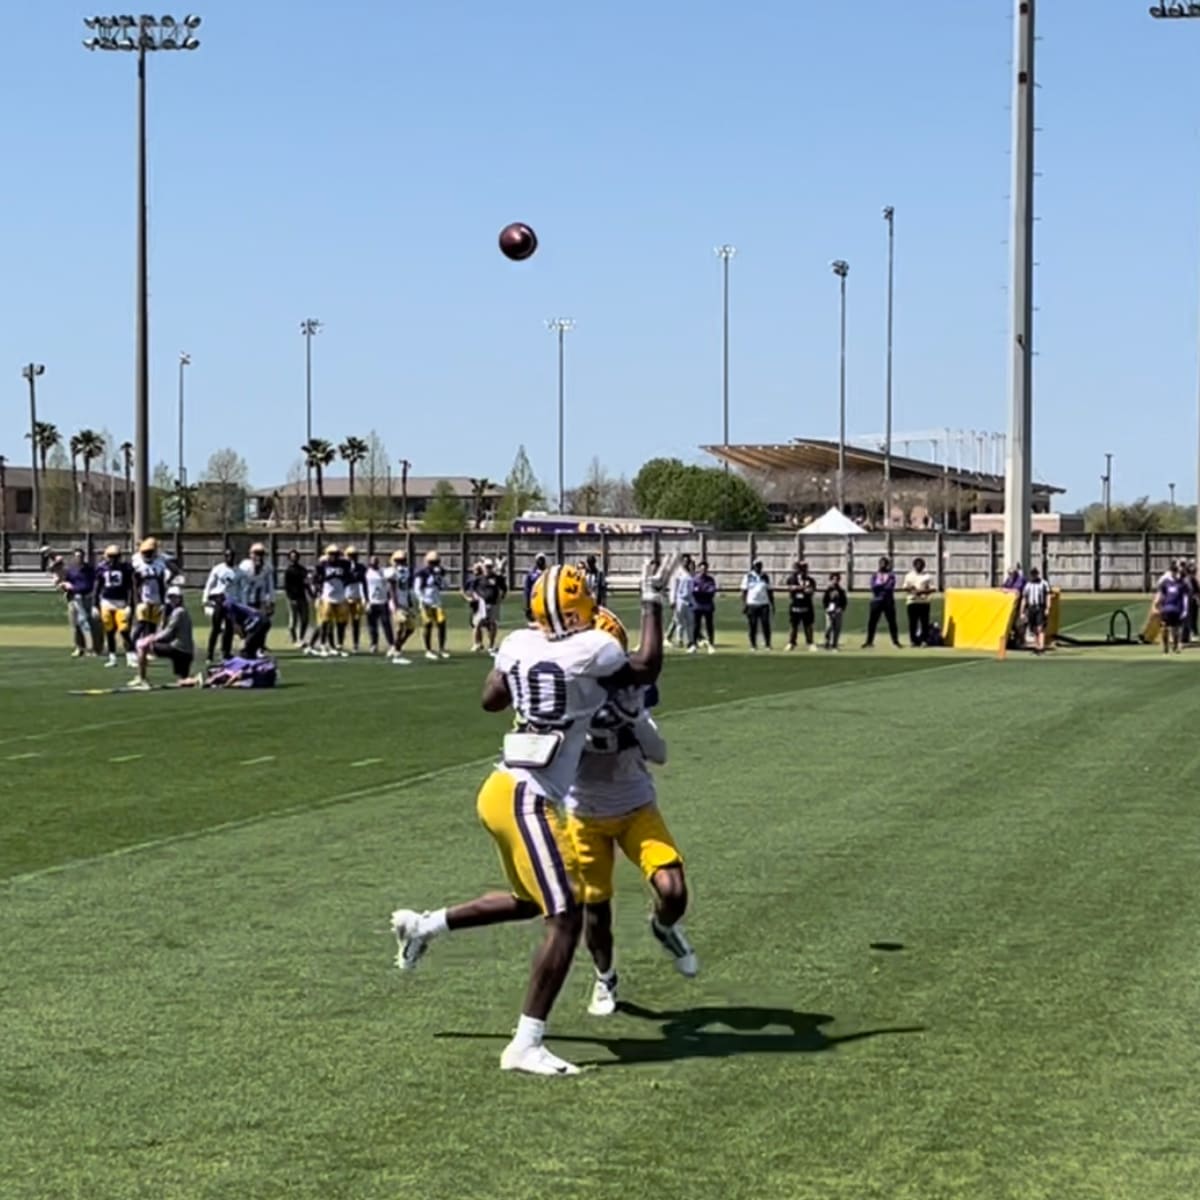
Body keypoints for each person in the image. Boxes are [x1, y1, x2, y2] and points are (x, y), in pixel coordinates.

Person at [389, 557, 672, 1076]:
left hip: (499, 788)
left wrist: (529, 681)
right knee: (564, 917)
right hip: (529, 797)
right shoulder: (594, 648)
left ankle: (425, 926)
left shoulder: (518, 643)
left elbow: (490, 700)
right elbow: (647, 667)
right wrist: (652, 598)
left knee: (530, 903)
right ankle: (526, 1043)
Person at [564, 608, 695, 1018]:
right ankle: (606, 978)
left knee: (674, 890)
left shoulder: (630, 694)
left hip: (635, 804)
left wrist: (634, 718)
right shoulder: (564, 694)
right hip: (583, 813)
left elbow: (660, 753)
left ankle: (663, 925)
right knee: (596, 909)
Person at [130, 585, 195, 689]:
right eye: (171, 597)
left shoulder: (178, 612)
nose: (172, 600)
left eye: (175, 597)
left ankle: (142, 679)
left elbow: (167, 633)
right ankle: (196, 680)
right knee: (183, 681)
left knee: (142, 646)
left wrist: (151, 638)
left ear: (180, 598)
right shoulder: (180, 611)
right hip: (186, 651)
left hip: (178, 649)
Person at [93, 544, 135, 668]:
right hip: (106, 602)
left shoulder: (126, 568)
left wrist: (130, 604)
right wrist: (94, 605)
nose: (113, 559)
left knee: (124, 630)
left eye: (115, 556)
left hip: (121, 602)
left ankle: (130, 657)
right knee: (110, 631)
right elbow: (97, 587)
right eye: (111, 556)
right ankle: (112, 657)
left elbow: (130, 587)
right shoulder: (102, 568)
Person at [202, 548, 243, 663]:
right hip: (219, 599)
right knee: (216, 627)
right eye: (227, 556)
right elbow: (210, 584)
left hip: (231, 601)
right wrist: (205, 598)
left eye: (231, 556)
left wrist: (241, 602)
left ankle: (226, 652)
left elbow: (240, 589)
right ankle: (209, 654)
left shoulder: (238, 572)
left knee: (229, 628)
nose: (229, 559)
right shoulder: (218, 569)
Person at [130, 536, 171, 649]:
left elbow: (162, 584)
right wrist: (137, 600)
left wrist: (163, 600)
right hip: (144, 599)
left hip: (156, 598)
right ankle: (131, 647)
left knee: (152, 626)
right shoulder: (137, 564)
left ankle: (147, 647)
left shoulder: (160, 563)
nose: (148, 555)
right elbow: (135, 584)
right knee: (141, 624)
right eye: (146, 552)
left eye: (150, 552)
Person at [59, 548, 97, 658]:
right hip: (73, 598)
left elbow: (90, 584)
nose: (79, 558)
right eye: (77, 556)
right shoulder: (70, 570)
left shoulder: (89, 569)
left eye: (80, 556)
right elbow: (65, 582)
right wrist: (65, 586)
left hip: (85, 598)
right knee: (75, 624)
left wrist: (75, 587)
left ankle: (91, 648)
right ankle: (79, 647)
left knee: (86, 623)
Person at [239, 542, 275, 650]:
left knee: (262, 622)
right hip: (247, 599)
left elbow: (270, 584)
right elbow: (240, 584)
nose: (258, 556)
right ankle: (247, 643)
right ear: (251, 554)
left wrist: (271, 601)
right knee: (248, 623)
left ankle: (260, 645)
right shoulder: (244, 566)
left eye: (261, 553)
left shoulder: (267, 567)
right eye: (256, 553)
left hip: (261, 599)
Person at [414, 550, 449, 660]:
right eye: (432, 562)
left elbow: (444, 585)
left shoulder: (440, 572)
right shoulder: (422, 573)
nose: (434, 565)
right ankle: (428, 650)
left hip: (437, 602)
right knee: (428, 624)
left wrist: (440, 577)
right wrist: (421, 599)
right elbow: (417, 588)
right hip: (426, 602)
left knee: (442, 623)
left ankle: (441, 649)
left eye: (436, 562)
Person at [863, 556, 902, 649]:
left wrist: (880, 585)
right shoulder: (875, 575)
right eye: (881, 563)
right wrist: (882, 585)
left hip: (888, 601)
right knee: (872, 622)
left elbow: (890, 587)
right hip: (876, 601)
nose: (882, 565)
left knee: (892, 622)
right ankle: (869, 641)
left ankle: (895, 641)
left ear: (887, 565)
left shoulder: (891, 575)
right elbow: (873, 587)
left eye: (884, 563)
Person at [471, 558, 507, 654]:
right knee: (478, 623)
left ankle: (491, 645)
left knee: (492, 624)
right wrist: (476, 597)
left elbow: (504, 588)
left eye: (490, 567)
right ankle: (477, 644)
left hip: (493, 603)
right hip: (481, 604)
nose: (488, 569)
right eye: (487, 567)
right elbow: (473, 589)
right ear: (483, 567)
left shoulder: (497, 578)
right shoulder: (479, 578)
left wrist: (501, 598)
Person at [219, 595, 272, 659]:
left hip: (259, 621)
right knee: (249, 649)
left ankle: (255, 660)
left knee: (247, 650)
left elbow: (236, 627)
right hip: (263, 620)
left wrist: (242, 636)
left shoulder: (227, 605)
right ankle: (257, 658)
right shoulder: (231, 603)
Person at [387, 549, 416, 665]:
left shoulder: (407, 572)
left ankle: (395, 646)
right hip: (396, 603)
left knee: (411, 628)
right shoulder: (392, 572)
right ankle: (397, 654)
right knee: (401, 626)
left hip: (405, 603)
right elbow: (392, 589)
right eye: (399, 560)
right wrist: (396, 605)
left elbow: (408, 590)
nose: (401, 562)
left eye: (403, 560)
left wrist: (410, 605)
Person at [740, 559, 774, 651]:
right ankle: (753, 645)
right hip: (752, 604)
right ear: (753, 566)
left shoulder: (765, 576)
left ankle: (767, 644)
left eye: (760, 565)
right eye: (757, 565)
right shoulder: (748, 576)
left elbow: (770, 591)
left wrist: (772, 604)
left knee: (765, 625)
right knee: (752, 625)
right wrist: (744, 604)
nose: (758, 567)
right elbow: (744, 591)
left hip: (764, 603)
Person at [784, 559, 817, 652]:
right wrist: (801, 588)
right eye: (801, 568)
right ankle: (791, 642)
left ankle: (810, 643)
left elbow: (810, 591)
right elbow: (791, 588)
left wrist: (800, 589)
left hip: (807, 606)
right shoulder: (792, 579)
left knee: (808, 626)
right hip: (795, 605)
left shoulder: (810, 580)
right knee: (793, 626)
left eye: (804, 568)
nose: (803, 570)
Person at [364, 554, 394, 655]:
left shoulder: (383, 572)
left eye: (376, 562)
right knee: (372, 626)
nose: (374, 564)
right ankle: (374, 644)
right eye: (373, 562)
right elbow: (364, 588)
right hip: (372, 602)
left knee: (386, 624)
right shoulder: (367, 573)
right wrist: (366, 601)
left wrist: (390, 599)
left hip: (383, 601)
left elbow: (390, 583)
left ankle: (391, 644)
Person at [1153, 562, 1186, 656]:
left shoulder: (1181, 583)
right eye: (1173, 571)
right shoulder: (1165, 583)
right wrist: (1156, 605)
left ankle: (1175, 646)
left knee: (1176, 629)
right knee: (1164, 628)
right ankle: (1165, 648)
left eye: (1176, 571)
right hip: (1166, 609)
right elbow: (1160, 594)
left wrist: (1184, 610)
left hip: (1177, 609)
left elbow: (1184, 597)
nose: (1175, 573)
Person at [903, 557, 935, 647]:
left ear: (924, 566)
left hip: (924, 602)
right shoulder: (909, 576)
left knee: (924, 622)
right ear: (914, 566)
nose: (919, 567)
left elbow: (933, 588)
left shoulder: (927, 576)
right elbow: (905, 587)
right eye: (917, 565)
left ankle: (924, 640)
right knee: (912, 623)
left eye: (921, 565)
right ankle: (913, 640)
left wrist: (922, 592)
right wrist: (911, 589)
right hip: (912, 601)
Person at [283, 550, 312, 645]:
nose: (294, 558)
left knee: (304, 619)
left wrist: (311, 594)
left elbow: (306, 583)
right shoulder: (288, 571)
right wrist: (291, 598)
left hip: (302, 597)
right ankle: (294, 639)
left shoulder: (303, 570)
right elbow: (286, 587)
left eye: (295, 556)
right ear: (289, 558)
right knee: (293, 621)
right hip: (292, 598)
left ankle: (301, 638)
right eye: (292, 556)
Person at [1021, 566, 1051, 655]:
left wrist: (1047, 608)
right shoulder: (1028, 585)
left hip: (1040, 607)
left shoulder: (1043, 583)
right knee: (1033, 628)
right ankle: (1036, 646)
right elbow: (1024, 598)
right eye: (1032, 574)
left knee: (1040, 627)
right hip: (1031, 607)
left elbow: (1048, 596)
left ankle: (1041, 646)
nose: (1034, 576)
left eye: (1035, 574)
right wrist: (1022, 611)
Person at [670, 555, 697, 652]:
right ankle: (679, 640)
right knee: (680, 622)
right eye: (684, 561)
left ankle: (690, 641)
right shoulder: (678, 573)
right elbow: (674, 587)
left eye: (687, 561)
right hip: (680, 599)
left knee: (690, 622)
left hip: (689, 600)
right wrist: (672, 600)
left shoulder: (691, 573)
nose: (686, 563)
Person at [344, 546, 368, 652]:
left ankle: (355, 644)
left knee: (356, 621)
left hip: (357, 596)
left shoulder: (361, 568)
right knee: (342, 621)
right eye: (350, 555)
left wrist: (366, 597)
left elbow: (364, 582)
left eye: (354, 555)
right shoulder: (343, 567)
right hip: (345, 596)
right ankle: (340, 643)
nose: (352, 558)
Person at [692, 560, 717, 652]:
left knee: (709, 625)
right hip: (697, 606)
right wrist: (702, 591)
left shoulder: (710, 580)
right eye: (701, 569)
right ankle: (694, 644)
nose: (703, 571)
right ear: (699, 569)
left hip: (707, 606)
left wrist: (700, 591)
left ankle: (711, 644)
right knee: (696, 626)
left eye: (705, 569)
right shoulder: (694, 579)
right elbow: (693, 592)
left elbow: (711, 591)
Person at [823, 572, 848, 651]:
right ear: (831, 580)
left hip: (838, 611)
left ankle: (835, 644)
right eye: (834, 579)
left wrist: (841, 608)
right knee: (829, 627)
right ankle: (827, 642)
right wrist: (826, 608)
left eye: (837, 579)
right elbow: (825, 600)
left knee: (837, 628)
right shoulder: (828, 590)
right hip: (830, 611)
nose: (835, 581)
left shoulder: (841, 591)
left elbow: (844, 601)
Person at [523, 553, 547, 621]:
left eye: (542, 560)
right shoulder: (531, 574)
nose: (541, 562)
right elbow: (527, 590)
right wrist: (527, 605)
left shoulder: (548, 572)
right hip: (535, 599)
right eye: (539, 560)